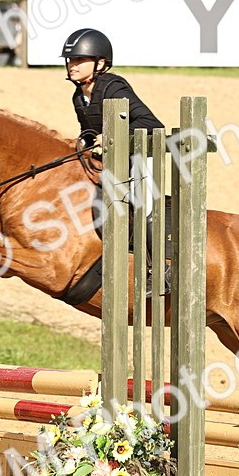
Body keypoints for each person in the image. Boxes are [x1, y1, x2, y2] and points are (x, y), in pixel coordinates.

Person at [62, 28, 170, 295]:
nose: (72, 65)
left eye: (79, 60)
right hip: (114, 161)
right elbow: (89, 133)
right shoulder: (79, 97)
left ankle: (160, 271)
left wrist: (111, 136)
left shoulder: (114, 87)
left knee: (143, 204)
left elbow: (152, 124)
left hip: (141, 156)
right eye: (70, 60)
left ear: (100, 63)